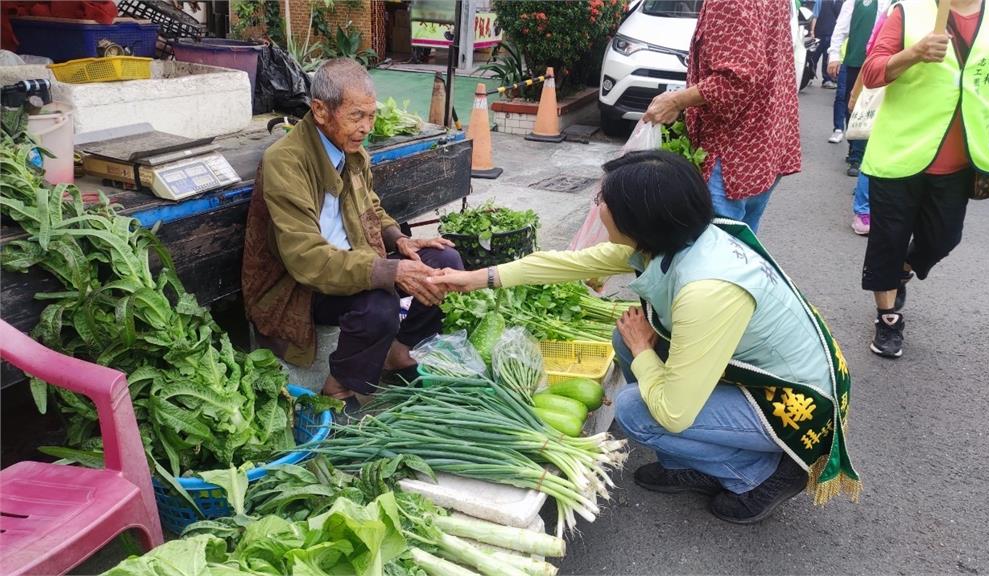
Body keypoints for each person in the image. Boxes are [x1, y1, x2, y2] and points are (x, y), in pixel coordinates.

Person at [433, 151, 861, 524]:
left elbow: (673, 412)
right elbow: (569, 264)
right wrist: (477, 278)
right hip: (757, 374)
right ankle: (695, 457)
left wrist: (642, 351)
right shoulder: (676, 238)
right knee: (628, 343)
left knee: (638, 411)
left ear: (637, 220)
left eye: (605, 200)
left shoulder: (707, 290)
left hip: (792, 401)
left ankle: (762, 472)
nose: (598, 205)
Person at [241, 58, 464, 407]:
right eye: (356, 116)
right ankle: (340, 385)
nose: (366, 127)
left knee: (444, 261)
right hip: (300, 284)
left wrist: (400, 241)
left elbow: (371, 207)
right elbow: (307, 259)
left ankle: (398, 352)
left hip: (351, 263)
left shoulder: (351, 150)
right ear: (320, 110)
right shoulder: (285, 162)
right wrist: (389, 271)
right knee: (378, 302)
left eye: (371, 116)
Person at [858, 0, 989, 358]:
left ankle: (903, 268)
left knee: (943, 239)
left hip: (962, 157)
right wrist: (914, 53)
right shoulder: (909, 9)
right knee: (888, 240)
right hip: (900, 152)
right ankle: (888, 317)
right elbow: (872, 72)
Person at [642, 0, 800, 234]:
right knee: (740, 253)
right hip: (764, 149)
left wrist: (675, 101)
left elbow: (738, 78)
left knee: (714, 259)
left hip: (731, 160)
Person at [827, 0, 892, 169]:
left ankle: (858, 154)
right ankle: (854, 144)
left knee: (875, 108)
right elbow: (840, 28)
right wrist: (834, 56)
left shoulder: (897, 4)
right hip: (856, 61)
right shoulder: (854, 2)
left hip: (885, 63)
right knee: (853, 105)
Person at [810, 0, 844, 88]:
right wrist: (812, 31)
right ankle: (809, 76)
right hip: (819, 32)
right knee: (814, 57)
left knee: (827, 58)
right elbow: (815, 16)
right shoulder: (820, 1)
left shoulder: (840, 2)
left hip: (832, 33)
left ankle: (827, 79)